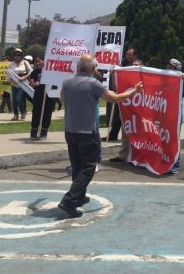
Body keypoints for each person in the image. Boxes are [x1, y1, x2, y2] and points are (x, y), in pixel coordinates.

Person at [58, 54, 142, 218]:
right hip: (87, 132)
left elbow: (62, 96)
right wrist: (134, 91)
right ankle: (70, 199)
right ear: (93, 68)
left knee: (77, 165)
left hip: (70, 130)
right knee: (89, 166)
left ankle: (79, 196)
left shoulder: (67, 82)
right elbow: (115, 98)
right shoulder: (93, 84)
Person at [105, 47, 138, 141]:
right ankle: (112, 135)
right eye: (127, 54)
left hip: (133, 96)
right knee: (117, 115)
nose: (127, 56)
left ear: (135, 56)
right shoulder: (123, 64)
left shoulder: (138, 65)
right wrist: (114, 72)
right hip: (122, 94)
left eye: (129, 55)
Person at [166, 58, 184, 174]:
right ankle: (166, 161)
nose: (167, 68)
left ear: (176, 69)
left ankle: (175, 164)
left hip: (175, 116)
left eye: (170, 67)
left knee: (174, 140)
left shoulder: (180, 81)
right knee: (164, 139)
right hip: (164, 113)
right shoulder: (164, 79)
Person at [29, 57, 55, 140]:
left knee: (47, 113)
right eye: (36, 62)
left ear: (43, 61)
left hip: (50, 95)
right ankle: (34, 131)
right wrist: (33, 83)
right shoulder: (34, 72)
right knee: (36, 112)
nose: (37, 63)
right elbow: (32, 81)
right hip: (38, 95)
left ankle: (44, 132)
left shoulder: (51, 71)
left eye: (39, 61)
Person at [6, 48, 32, 121]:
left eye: (19, 54)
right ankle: (15, 115)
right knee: (14, 100)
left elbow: (30, 72)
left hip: (23, 84)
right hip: (14, 84)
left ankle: (23, 112)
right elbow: (7, 75)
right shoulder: (11, 64)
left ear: (21, 55)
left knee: (18, 98)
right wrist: (12, 80)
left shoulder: (25, 63)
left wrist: (24, 77)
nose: (17, 56)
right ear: (13, 56)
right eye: (15, 54)